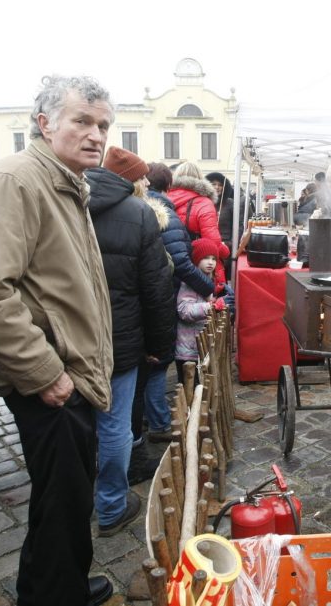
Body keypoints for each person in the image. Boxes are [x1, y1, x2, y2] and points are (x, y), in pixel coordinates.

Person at [0, 75, 115, 606]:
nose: (96, 135)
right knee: (62, 499)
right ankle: (53, 593)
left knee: (65, 499)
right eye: (83, 122)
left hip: (71, 371)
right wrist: (45, 372)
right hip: (51, 376)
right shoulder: (14, 179)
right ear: (45, 124)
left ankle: (57, 584)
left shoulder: (66, 182)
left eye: (103, 125)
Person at [85, 146, 174, 534]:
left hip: (74, 335)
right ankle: (110, 507)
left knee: (80, 424)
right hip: (121, 338)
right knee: (116, 424)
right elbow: (156, 289)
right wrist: (160, 346)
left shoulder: (73, 201)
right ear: (136, 182)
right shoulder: (139, 213)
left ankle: (80, 500)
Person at [139, 162, 214, 449]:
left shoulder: (145, 208)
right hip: (159, 295)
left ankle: (148, 417)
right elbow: (180, 262)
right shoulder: (162, 213)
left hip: (143, 295)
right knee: (158, 361)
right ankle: (158, 422)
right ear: (167, 186)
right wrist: (207, 287)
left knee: (146, 362)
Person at [175, 238, 227, 386]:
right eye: (205, 258)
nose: (210, 262)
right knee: (190, 386)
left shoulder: (210, 280)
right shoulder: (190, 283)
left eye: (213, 259)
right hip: (188, 348)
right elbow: (184, 310)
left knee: (204, 385)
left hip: (201, 345)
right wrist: (209, 307)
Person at [167, 161, 227, 287]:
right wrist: (226, 251)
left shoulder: (165, 198)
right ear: (200, 178)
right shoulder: (204, 202)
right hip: (194, 264)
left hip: (168, 261)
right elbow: (212, 241)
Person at [205, 171, 249, 276]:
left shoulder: (230, 203)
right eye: (214, 184)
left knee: (222, 278)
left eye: (220, 185)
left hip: (226, 249)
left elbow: (239, 226)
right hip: (207, 248)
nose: (217, 187)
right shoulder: (204, 202)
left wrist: (231, 243)